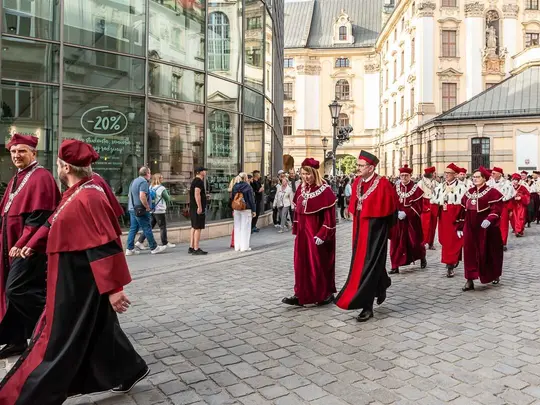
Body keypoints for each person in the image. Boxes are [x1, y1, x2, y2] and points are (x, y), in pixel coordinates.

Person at [0, 139, 148, 405]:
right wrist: (31, 245)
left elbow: (103, 243)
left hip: (80, 281)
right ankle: (131, 368)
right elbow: (53, 221)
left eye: (58, 163)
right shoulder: (76, 191)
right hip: (72, 276)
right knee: (99, 329)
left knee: (60, 339)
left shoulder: (89, 196)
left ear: (65, 166)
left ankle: (33, 395)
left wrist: (114, 289)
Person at [0, 134, 61, 359]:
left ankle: (54, 327)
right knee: (8, 293)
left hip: (29, 249)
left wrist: (22, 243)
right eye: (14, 151)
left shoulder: (41, 176)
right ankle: (17, 341)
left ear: (33, 153)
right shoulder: (17, 177)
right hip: (10, 246)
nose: (17, 155)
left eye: (22, 151)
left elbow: (39, 216)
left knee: (16, 289)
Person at [335, 151, 397, 322]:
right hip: (359, 232)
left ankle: (367, 306)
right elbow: (355, 207)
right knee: (363, 265)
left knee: (369, 266)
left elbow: (391, 208)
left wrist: (386, 232)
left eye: (361, 166)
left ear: (371, 168)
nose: (358, 168)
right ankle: (382, 283)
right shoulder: (357, 182)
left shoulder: (383, 184)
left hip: (376, 233)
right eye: (358, 165)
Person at [282, 158, 336, 307]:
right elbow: (298, 214)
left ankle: (323, 293)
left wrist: (322, 234)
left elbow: (330, 217)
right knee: (301, 264)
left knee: (317, 264)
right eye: (303, 174)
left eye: (308, 174)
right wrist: (297, 230)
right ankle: (301, 293)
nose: (305, 177)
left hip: (316, 234)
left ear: (315, 173)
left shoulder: (325, 190)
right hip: (303, 234)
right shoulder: (301, 188)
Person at [459, 167, 504, 291]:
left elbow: (497, 209)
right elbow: (463, 210)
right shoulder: (469, 192)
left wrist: (489, 219)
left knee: (489, 251)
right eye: (473, 177)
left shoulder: (492, 192)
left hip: (486, 227)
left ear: (484, 178)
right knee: (469, 252)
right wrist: (460, 225)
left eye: (478, 177)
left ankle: (494, 274)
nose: (475, 179)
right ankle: (469, 279)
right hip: (470, 226)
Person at [431, 163, 468, 278]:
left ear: (455, 175)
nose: (446, 175)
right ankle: (450, 261)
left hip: (456, 216)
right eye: (445, 173)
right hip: (444, 216)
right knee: (445, 240)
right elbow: (434, 201)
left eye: (449, 173)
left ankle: (450, 265)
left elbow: (464, 204)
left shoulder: (462, 187)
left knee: (456, 240)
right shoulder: (440, 187)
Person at [389, 165, 427, 274]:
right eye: (402, 175)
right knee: (395, 243)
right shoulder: (395, 187)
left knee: (414, 242)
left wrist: (407, 213)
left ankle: (422, 256)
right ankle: (395, 265)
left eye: (406, 175)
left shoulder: (416, 189)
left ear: (410, 176)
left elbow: (419, 206)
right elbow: (392, 203)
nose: (404, 178)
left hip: (411, 221)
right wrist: (396, 213)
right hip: (397, 221)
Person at [126, 167, 166, 256]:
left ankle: (129, 249)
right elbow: (142, 196)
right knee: (147, 227)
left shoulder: (134, 181)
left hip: (132, 208)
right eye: (150, 173)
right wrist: (147, 207)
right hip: (141, 209)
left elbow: (129, 195)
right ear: (147, 173)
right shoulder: (143, 182)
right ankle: (154, 247)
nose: (150, 175)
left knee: (133, 229)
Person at [135, 173, 176, 250]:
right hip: (159, 210)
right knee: (162, 227)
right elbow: (167, 198)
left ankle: (139, 241)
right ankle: (165, 242)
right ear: (159, 179)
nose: (162, 179)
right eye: (161, 177)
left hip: (152, 210)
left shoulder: (150, 187)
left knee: (149, 227)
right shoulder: (161, 188)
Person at [488, 167, 515, 251]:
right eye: (492, 173)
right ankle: (492, 242)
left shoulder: (507, 183)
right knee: (491, 224)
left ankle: (503, 242)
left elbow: (511, 195)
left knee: (503, 225)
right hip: (491, 206)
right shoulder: (489, 183)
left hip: (503, 205)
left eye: (494, 173)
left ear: (500, 174)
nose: (492, 175)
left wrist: (510, 209)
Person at [231, 173, 256, 252]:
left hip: (236, 209)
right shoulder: (248, 186)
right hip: (246, 209)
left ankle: (237, 246)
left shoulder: (235, 186)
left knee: (237, 227)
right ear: (245, 178)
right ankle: (244, 247)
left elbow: (232, 198)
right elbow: (251, 199)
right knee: (245, 228)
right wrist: (254, 210)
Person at [418, 166, 438, 250]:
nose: (435, 174)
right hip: (425, 203)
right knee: (424, 225)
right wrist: (424, 207)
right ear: (430, 174)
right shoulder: (421, 183)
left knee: (433, 225)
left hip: (434, 204)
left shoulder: (435, 182)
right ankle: (422, 242)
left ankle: (431, 243)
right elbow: (419, 197)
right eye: (434, 173)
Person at [189, 167, 208, 255]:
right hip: (197, 208)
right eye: (204, 170)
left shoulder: (194, 181)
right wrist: (199, 207)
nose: (205, 172)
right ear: (200, 172)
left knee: (194, 227)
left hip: (193, 207)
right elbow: (197, 194)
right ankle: (196, 248)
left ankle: (191, 247)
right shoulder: (199, 181)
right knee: (198, 228)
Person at [510, 173, 530, 237]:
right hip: (512, 205)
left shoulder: (522, 187)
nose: (515, 181)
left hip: (520, 205)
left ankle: (519, 231)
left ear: (518, 181)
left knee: (520, 218)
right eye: (513, 180)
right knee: (513, 218)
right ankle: (516, 229)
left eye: (516, 180)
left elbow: (528, 195)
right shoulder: (509, 187)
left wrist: (521, 197)